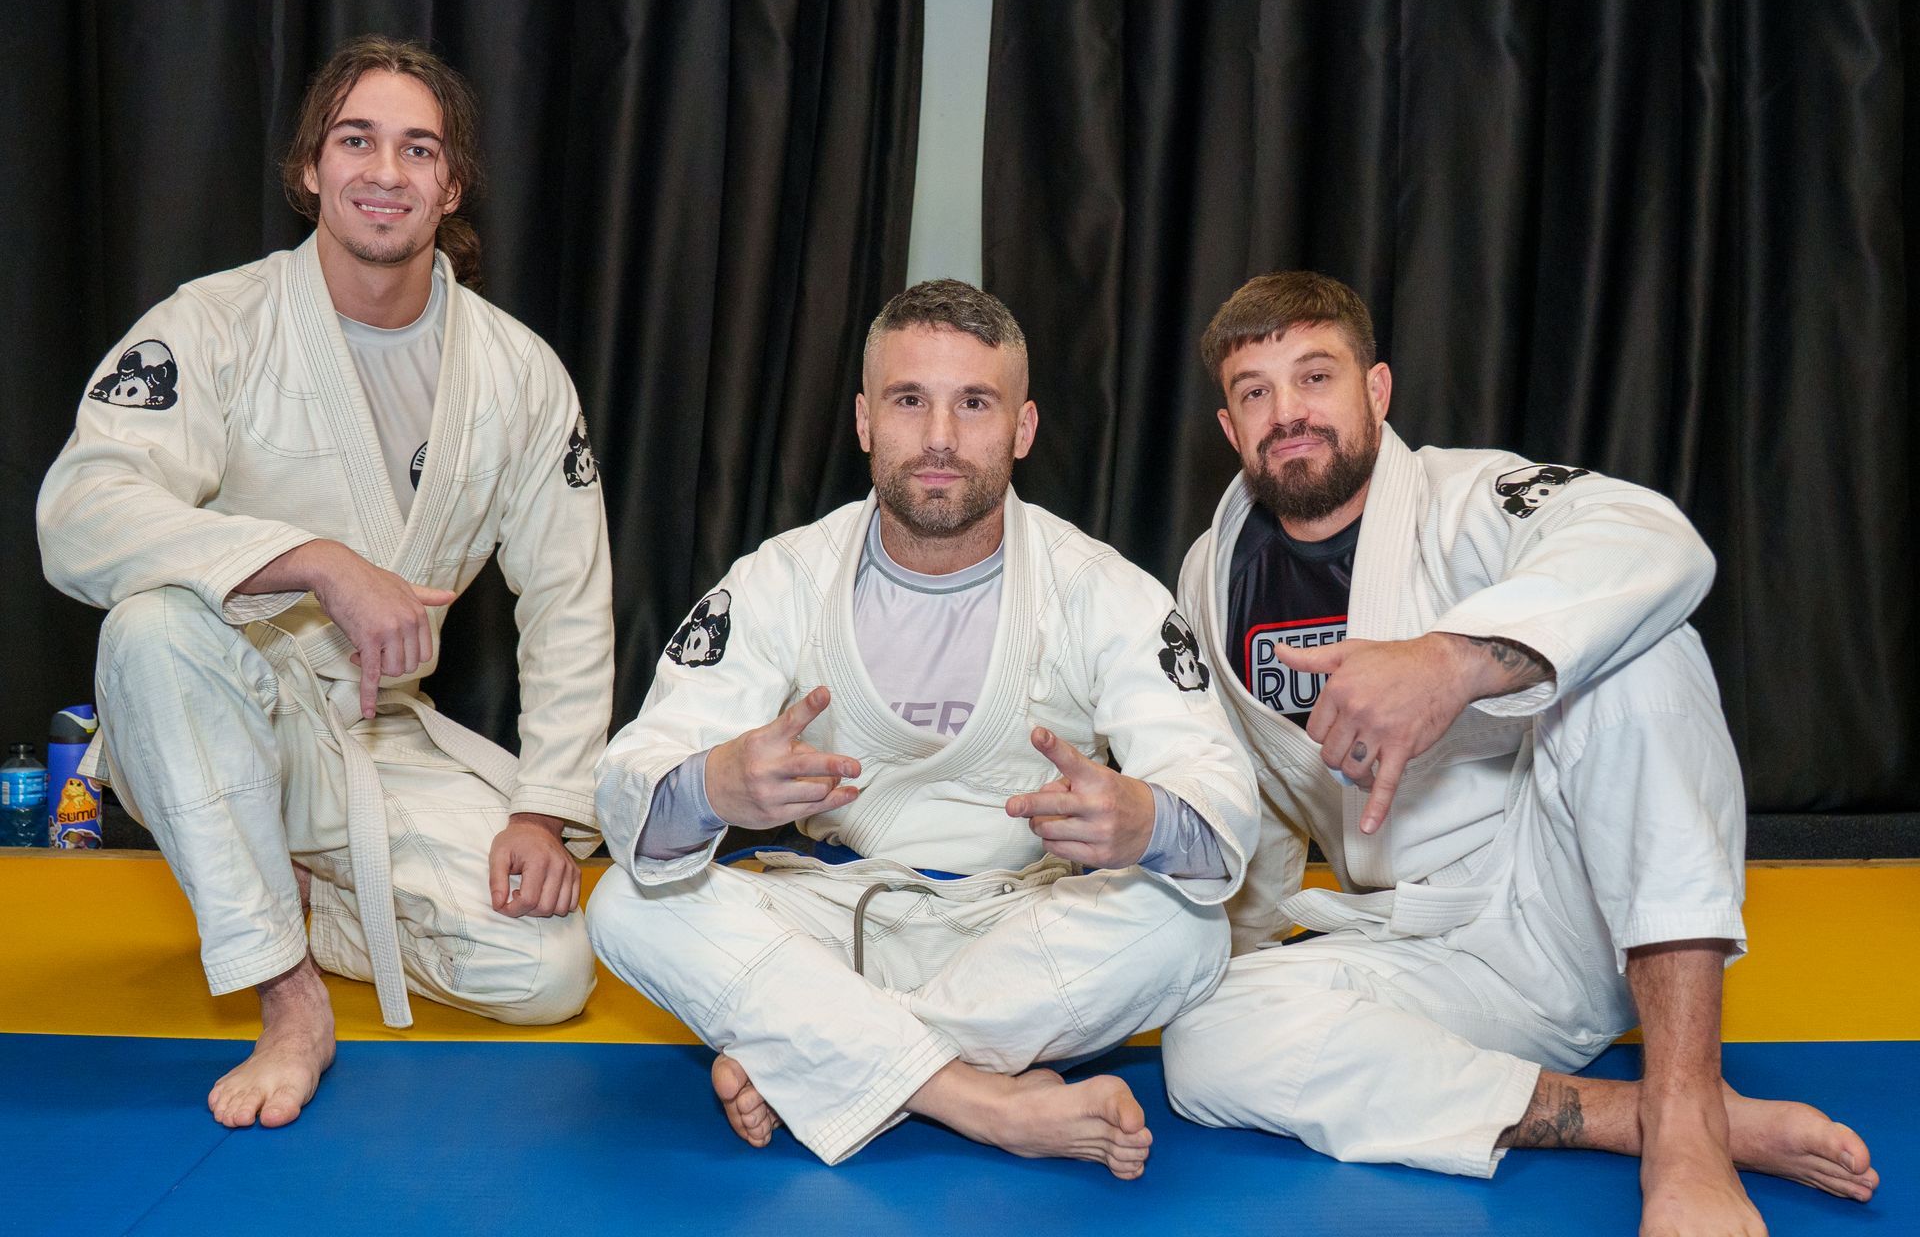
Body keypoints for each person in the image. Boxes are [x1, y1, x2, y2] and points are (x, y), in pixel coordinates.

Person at [1160, 270, 1877, 1234]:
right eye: (1256, 392)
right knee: (1204, 1041)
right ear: (1229, 428)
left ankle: (1687, 1115)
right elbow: (1255, 799)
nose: (1288, 413)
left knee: (1642, 646)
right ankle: (1631, 1116)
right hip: (1422, 945)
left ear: (1376, 390)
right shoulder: (1213, 575)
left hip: (1568, 903)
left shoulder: (1469, 500)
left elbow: (1654, 535)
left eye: (1315, 377)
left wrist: (1452, 662)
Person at [36, 36, 612, 1130]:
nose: (384, 171)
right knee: (152, 624)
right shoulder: (211, 327)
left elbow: (569, 600)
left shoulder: (519, 373)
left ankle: (279, 890)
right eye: (356, 140)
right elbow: (77, 514)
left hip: (379, 734)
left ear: (451, 184)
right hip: (220, 704)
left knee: (548, 973)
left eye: (417, 147)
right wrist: (316, 562)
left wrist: (547, 809)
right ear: (310, 167)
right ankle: (289, 995)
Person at [587, 280, 1255, 1177]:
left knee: (1188, 929)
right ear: (865, 420)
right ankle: (976, 1098)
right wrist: (715, 786)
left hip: (1020, 927)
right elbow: (633, 781)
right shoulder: (784, 578)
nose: (940, 437)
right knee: (627, 905)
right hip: (826, 913)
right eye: (910, 401)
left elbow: (1213, 792)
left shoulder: (1101, 589)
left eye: (974, 403)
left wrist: (1146, 821)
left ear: (1021, 428)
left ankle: (824, 1058)